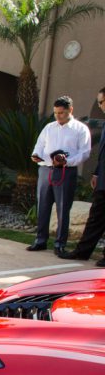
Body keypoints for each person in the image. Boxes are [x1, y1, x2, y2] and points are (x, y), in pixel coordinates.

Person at [27, 95, 91, 256]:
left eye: (61, 113)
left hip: (65, 171)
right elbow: (39, 145)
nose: (58, 116)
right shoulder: (49, 127)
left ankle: (60, 243)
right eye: (55, 113)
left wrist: (66, 161)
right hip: (46, 169)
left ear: (70, 110)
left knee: (63, 208)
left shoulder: (80, 129)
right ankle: (40, 240)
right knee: (43, 206)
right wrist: (36, 155)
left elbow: (85, 153)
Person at [59, 87, 105, 267]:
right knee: (96, 217)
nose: (100, 106)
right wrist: (97, 173)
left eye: (101, 102)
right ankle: (82, 252)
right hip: (103, 180)